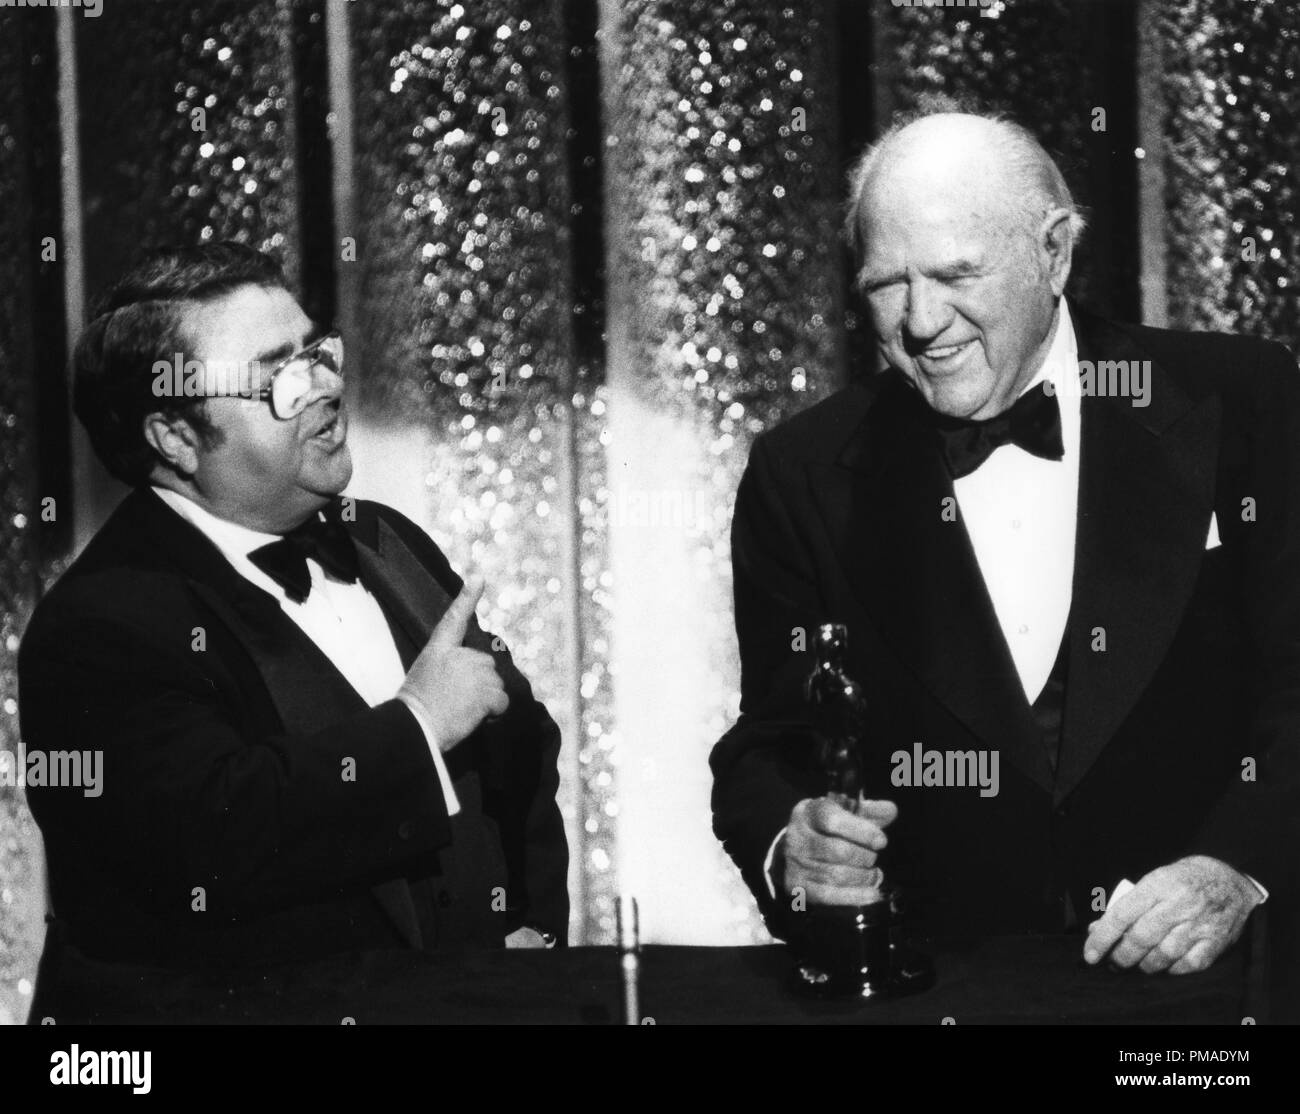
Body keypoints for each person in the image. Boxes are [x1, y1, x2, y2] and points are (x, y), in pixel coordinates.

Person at [711, 110, 1300, 989]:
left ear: (1054, 253)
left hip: (1225, 993)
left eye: (955, 275)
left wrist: (1237, 867)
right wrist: (791, 847)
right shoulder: (801, 472)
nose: (920, 321)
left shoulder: (1243, 399)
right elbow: (769, 746)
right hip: (944, 997)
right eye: (886, 284)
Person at [20, 242, 568, 1022]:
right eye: (278, 374)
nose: (325, 385)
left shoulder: (387, 540)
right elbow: (214, 842)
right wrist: (418, 727)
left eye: (317, 352)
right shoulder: (99, 624)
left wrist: (526, 951)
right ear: (174, 438)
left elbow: (522, 760)